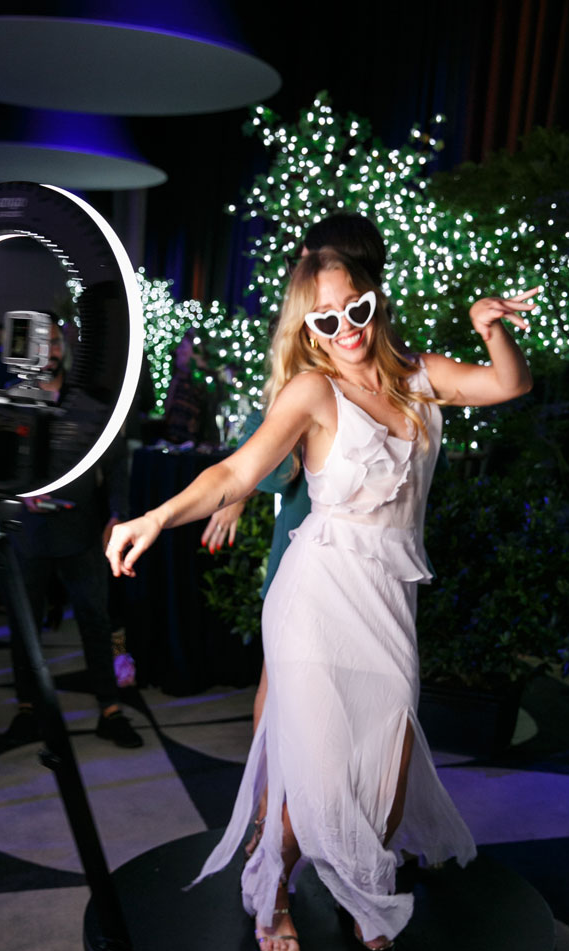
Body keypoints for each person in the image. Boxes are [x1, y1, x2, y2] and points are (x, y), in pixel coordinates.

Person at [106, 247, 538, 951]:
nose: (346, 328)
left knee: (386, 771)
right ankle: (273, 887)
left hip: (387, 598)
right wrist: (156, 518)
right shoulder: (312, 391)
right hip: (315, 595)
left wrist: (490, 328)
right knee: (318, 767)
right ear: (309, 327)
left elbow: (509, 384)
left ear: (374, 300)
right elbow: (235, 471)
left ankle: (358, 882)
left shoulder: (421, 377)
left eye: (355, 308)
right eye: (326, 318)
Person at [201, 214, 388, 859]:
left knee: (363, 697)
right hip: (308, 533)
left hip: (376, 551)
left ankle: (349, 826)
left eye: (312, 259)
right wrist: (236, 495)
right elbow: (264, 456)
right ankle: (267, 813)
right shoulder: (312, 351)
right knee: (281, 680)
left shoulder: (374, 344)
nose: (302, 272)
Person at [5, 318, 143, 750]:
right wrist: (18, 492)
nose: (49, 352)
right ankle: (27, 707)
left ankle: (110, 709)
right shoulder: (14, 399)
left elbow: (116, 462)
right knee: (24, 623)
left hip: (81, 529)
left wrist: (118, 514)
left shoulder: (88, 404)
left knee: (94, 619)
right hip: (27, 531)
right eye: (40, 344)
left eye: (54, 343)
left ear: (64, 347)